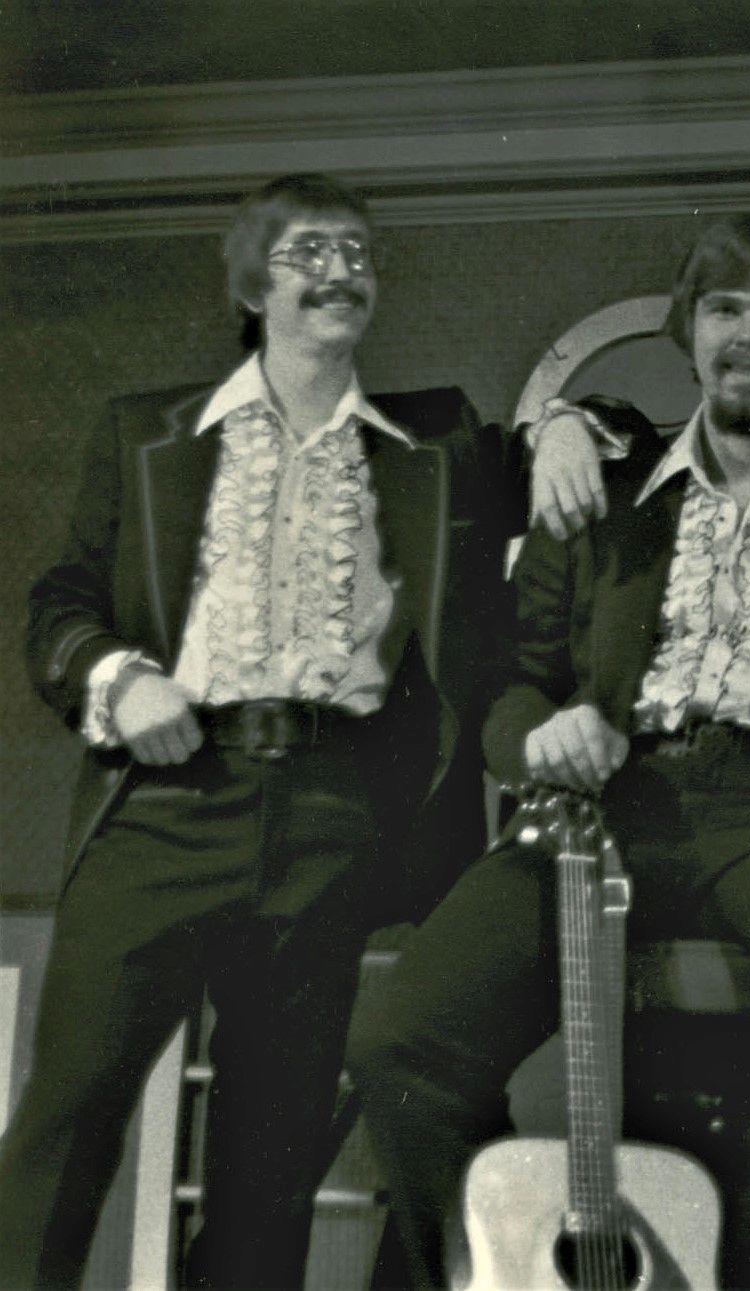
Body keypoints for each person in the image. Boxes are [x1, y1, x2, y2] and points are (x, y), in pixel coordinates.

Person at [348, 211, 750, 1289]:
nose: (748, 334)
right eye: (723, 308)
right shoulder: (601, 492)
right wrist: (538, 734)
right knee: (398, 1041)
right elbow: (510, 678)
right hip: (601, 808)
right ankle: (494, 1265)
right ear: (688, 331)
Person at [0, 172, 611, 1291]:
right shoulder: (146, 431)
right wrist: (119, 678)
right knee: (67, 1117)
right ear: (251, 284)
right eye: (308, 252)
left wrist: (568, 424)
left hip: (333, 817)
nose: (341, 272)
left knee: (267, 1156)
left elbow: (632, 433)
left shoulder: (432, 442)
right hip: (165, 805)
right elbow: (59, 605)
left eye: (358, 253)